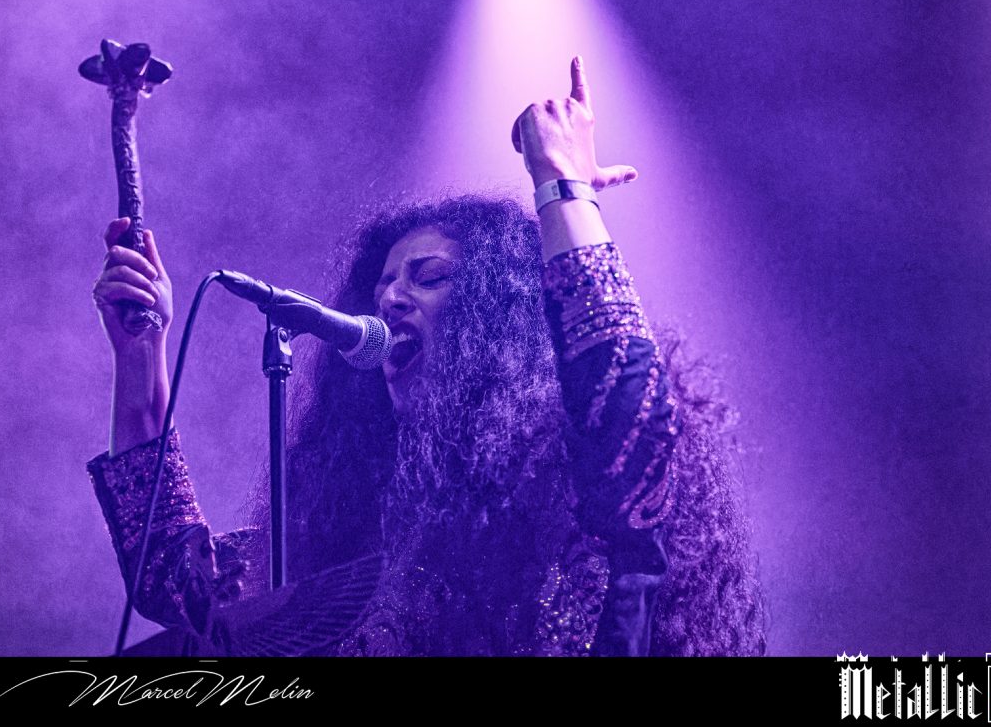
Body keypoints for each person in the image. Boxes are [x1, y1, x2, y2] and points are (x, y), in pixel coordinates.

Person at [88, 58, 765, 656]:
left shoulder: (557, 470)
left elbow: (627, 415)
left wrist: (563, 187)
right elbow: (187, 589)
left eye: (429, 277)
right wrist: (141, 355)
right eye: (382, 285)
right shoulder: (363, 515)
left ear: (501, 316)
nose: (390, 298)